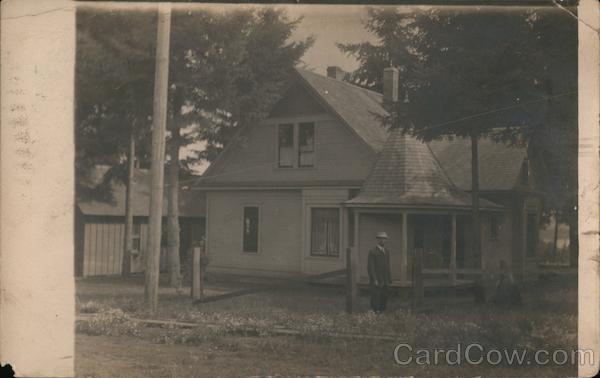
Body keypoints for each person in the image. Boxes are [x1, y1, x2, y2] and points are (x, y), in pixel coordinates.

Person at [367, 231, 392, 313]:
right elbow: (371, 267)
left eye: (384, 239)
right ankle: (375, 311)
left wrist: (389, 279)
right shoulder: (373, 251)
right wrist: (374, 279)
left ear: (386, 240)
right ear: (377, 240)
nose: (382, 241)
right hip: (377, 278)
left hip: (385, 279)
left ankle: (382, 310)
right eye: (380, 239)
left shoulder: (386, 251)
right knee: (376, 295)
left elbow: (387, 266)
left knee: (385, 295)